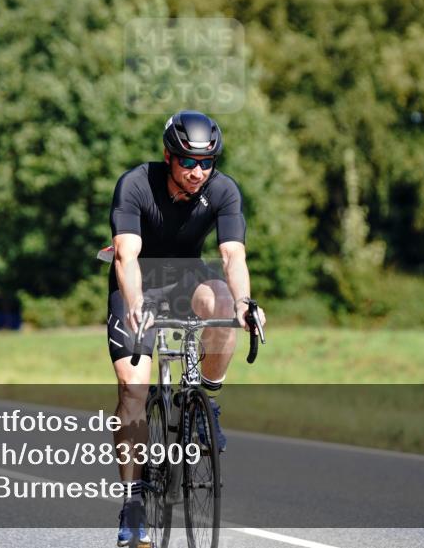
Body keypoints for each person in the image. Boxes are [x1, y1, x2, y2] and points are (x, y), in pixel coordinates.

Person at [106, 110, 266, 546]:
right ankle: (134, 499)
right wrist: (136, 304)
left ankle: (204, 401)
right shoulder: (136, 184)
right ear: (168, 156)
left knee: (224, 303)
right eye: (188, 162)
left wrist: (248, 303)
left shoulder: (223, 190)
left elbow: (233, 256)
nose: (198, 172)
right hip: (137, 285)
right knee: (132, 388)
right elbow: (126, 256)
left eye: (207, 163)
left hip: (186, 280)